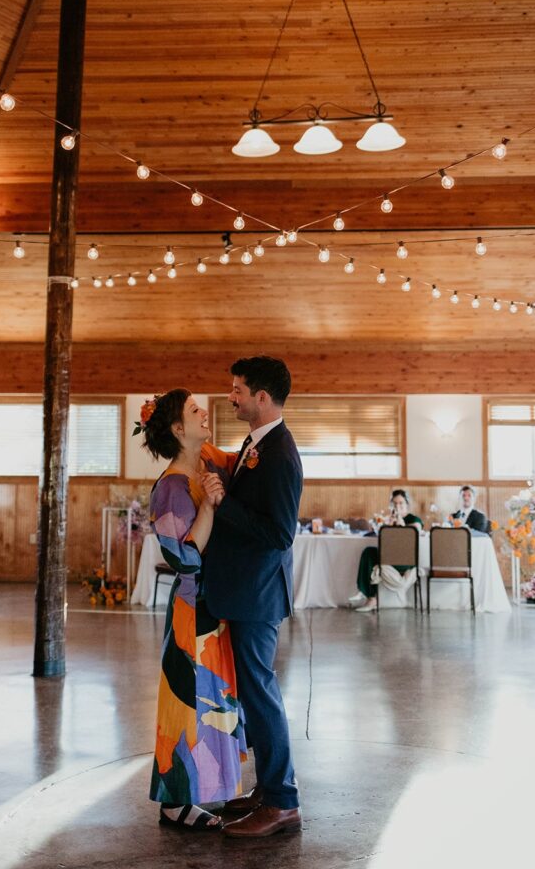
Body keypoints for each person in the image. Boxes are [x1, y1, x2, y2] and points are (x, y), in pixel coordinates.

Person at [201, 355, 303, 839]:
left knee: (262, 695)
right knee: (254, 692)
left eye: (238, 388)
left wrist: (225, 503)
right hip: (243, 590)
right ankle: (266, 789)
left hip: (258, 595)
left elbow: (280, 534)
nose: (231, 395)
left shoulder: (280, 453)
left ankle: (282, 801)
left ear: (262, 397)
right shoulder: (255, 442)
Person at [142, 389, 247, 831]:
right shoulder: (169, 489)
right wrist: (208, 504)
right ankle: (174, 801)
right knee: (189, 700)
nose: (205, 412)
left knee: (215, 697)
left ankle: (210, 789)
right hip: (190, 608)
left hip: (212, 603)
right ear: (178, 430)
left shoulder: (202, 466)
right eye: (194, 410)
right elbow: (184, 558)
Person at [349, 488, 424, 612]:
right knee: (369, 552)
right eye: (395, 503)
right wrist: (389, 525)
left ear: (407, 504)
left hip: (405, 560)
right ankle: (369, 596)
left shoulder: (413, 519)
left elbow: (416, 529)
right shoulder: (390, 519)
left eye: (401, 503)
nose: (398, 506)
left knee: (372, 554)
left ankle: (369, 595)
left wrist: (401, 525)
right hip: (389, 557)